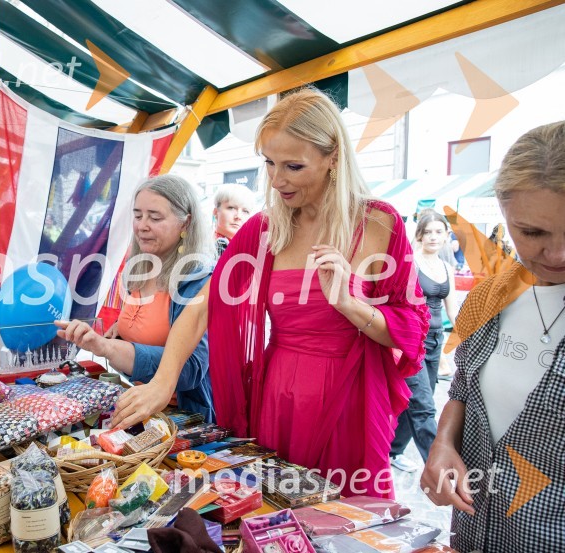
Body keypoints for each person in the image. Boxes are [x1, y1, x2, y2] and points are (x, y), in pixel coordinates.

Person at [112, 88, 430, 498]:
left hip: (348, 401)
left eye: (293, 166)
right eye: (269, 163)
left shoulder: (379, 224)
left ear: (333, 157)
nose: (277, 180)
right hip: (278, 397)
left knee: (344, 515)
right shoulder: (264, 229)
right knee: (274, 512)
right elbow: (203, 306)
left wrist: (350, 305)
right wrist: (163, 380)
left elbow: (411, 328)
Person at [422, 121, 565, 552]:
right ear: (504, 215)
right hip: (475, 528)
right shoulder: (491, 295)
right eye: (533, 232)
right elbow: (463, 388)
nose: (557, 254)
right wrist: (443, 444)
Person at [56, 174, 215, 421]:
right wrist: (110, 335)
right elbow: (147, 331)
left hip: (183, 417)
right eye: (138, 215)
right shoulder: (140, 270)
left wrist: (107, 347)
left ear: (185, 223)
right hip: (135, 406)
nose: (142, 226)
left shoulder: (198, 280)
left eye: (155, 217)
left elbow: (191, 368)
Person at [389, 209, 457, 473]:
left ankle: (392, 451)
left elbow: (452, 311)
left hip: (436, 341)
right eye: (428, 232)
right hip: (413, 341)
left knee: (415, 401)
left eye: (438, 232)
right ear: (419, 236)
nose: (433, 237)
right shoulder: (410, 264)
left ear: (446, 235)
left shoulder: (447, 268)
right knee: (425, 407)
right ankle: (440, 471)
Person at [213, 183, 256, 256]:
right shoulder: (201, 246)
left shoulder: (254, 250)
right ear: (216, 212)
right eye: (231, 208)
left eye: (245, 211)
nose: (238, 216)